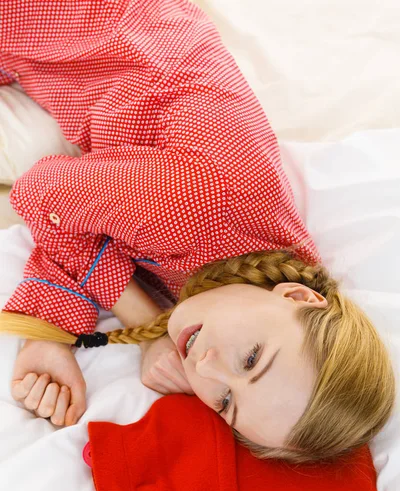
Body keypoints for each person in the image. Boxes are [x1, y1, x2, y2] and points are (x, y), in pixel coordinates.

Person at [0, 0, 395, 463]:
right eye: (250, 359)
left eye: (226, 402)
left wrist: (47, 337)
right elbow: (41, 193)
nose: (205, 369)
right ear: (299, 298)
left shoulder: (268, 275)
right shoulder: (197, 209)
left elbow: (100, 229)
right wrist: (148, 329)